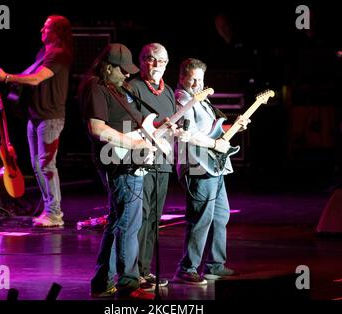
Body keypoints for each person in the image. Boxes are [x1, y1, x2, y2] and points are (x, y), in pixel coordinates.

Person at [78, 43, 156, 300]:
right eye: (122, 70)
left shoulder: (119, 88)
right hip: (118, 162)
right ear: (108, 67)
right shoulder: (96, 87)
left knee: (118, 221)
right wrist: (134, 143)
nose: (127, 75)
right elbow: (97, 129)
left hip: (129, 160)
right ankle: (128, 284)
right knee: (129, 225)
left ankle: (102, 282)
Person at [0, 15, 73, 227]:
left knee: (46, 165)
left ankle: (55, 213)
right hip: (35, 116)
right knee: (37, 165)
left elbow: (36, 79)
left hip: (50, 117)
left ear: (57, 31)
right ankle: (49, 209)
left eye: (46, 27)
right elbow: (29, 78)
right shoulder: (43, 53)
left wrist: (6, 77)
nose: (41, 30)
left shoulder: (59, 54)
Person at [173, 58, 250, 284]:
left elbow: (211, 131)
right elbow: (191, 133)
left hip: (213, 164)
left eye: (201, 79)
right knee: (201, 218)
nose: (197, 83)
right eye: (193, 79)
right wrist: (216, 145)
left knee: (220, 215)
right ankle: (187, 268)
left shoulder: (202, 100)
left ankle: (215, 264)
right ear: (182, 78)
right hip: (197, 165)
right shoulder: (182, 100)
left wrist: (232, 127)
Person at [128, 43, 176, 289]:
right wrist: (154, 130)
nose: (157, 65)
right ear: (141, 60)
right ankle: (132, 273)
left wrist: (175, 129)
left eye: (162, 61)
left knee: (154, 219)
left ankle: (145, 271)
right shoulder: (133, 87)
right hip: (141, 161)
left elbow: (173, 125)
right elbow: (127, 125)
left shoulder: (168, 91)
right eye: (151, 59)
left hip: (163, 162)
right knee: (141, 217)